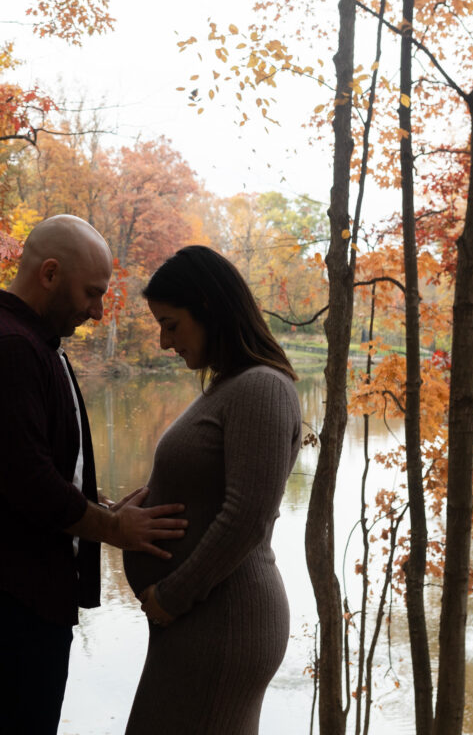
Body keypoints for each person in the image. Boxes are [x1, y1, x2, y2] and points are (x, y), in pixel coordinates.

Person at [0, 215, 187, 735]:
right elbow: (28, 481)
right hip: (12, 593)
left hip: (29, 589)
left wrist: (104, 509)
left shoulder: (34, 344)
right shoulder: (8, 348)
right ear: (49, 274)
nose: (98, 312)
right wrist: (114, 529)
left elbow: (47, 465)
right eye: (92, 293)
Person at [123, 245, 302, 735]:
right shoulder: (231, 387)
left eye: (171, 324)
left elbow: (247, 515)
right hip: (198, 620)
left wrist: (173, 596)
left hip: (223, 619)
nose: (163, 342)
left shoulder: (262, 387)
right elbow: (199, 494)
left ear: (208, 306)